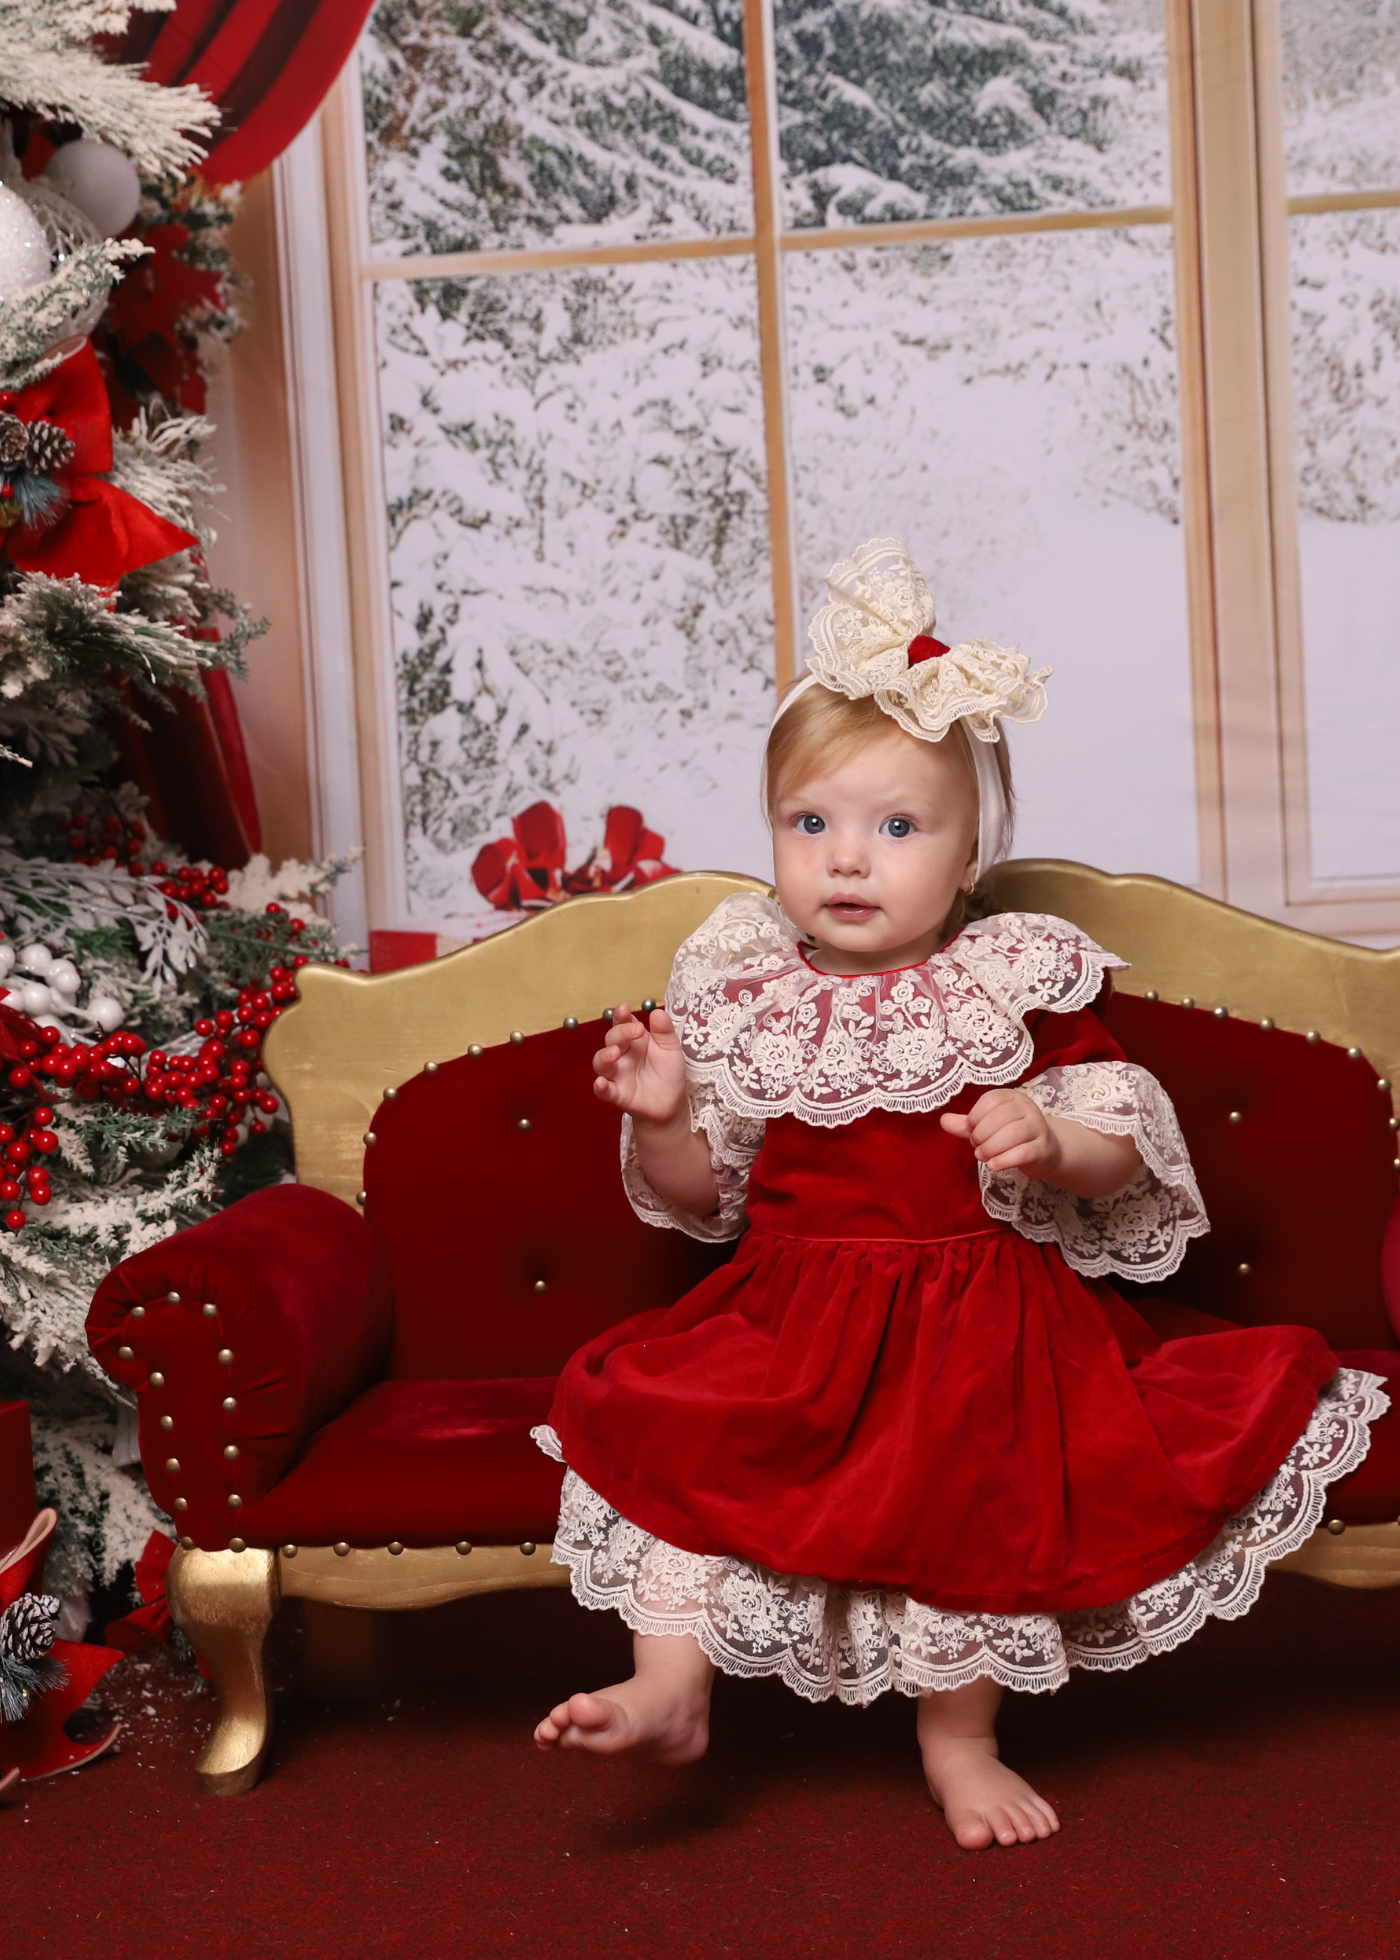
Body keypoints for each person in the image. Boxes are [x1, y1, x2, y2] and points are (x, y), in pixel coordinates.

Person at [531, 538, 1388, 1850]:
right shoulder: (749, 989)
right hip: (787, 1315)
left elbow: (1124, 1144)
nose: (847, 861)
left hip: (973, 1318)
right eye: (810, 825)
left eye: (896, 828)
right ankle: (671, 1688)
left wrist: (1047, 1135)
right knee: (666, 1426)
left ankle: (960, 1737)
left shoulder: (1005, 983)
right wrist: (660, 1119)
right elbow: (707, 1194)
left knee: (976, 1489)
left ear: (970, 850)